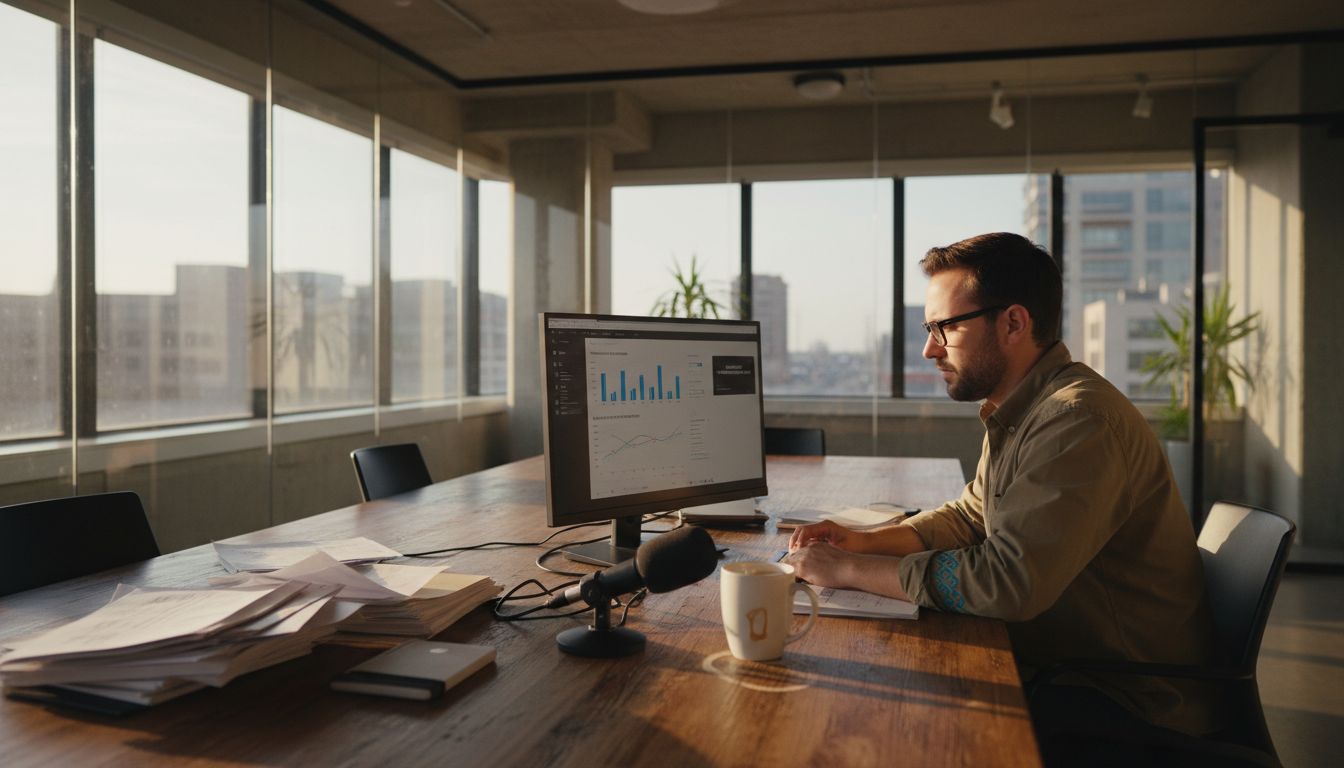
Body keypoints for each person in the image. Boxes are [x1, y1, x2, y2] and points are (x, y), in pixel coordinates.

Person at [784, 232, 1218, 751]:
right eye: (929, 328)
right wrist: (865, 542)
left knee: (892, 725)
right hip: (1067, 666)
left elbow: (1009, 582)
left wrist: (850, 571)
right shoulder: (1023, 408)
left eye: (945, 327)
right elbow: (971, 516)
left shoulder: (1077, 420)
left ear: (1013, 322)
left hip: (1124, 702)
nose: (929, 348)